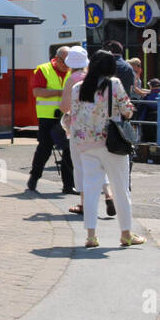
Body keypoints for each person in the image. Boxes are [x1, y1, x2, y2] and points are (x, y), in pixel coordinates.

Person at [69, 51, 144, 248]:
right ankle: (126, 233)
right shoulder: (114, 84)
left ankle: (91, 236)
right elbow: (127, 109)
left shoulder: (78, 87)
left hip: (86, 144)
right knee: (120, 189)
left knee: (91, 189)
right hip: (112, 143)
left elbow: (73, 116)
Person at [60, 47, 114, 219]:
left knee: (80, 166)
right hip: (99, 130)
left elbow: (65, 106)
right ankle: (109, 195)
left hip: (79, 131)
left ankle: (84, 204)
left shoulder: (73, 81)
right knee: (101, 165)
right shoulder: (95, 78)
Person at [28, 46, 75, 194]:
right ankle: (34, 177)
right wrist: (61, 92)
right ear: (57, 58)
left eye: (69, 62)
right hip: (47, 116)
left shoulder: (73, 71)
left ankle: (68, 185)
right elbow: (37, 91)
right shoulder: (43, 69)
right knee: (45, 148)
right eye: (64, 62)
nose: (66, 65)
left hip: (67, 116)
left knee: (69, 150)